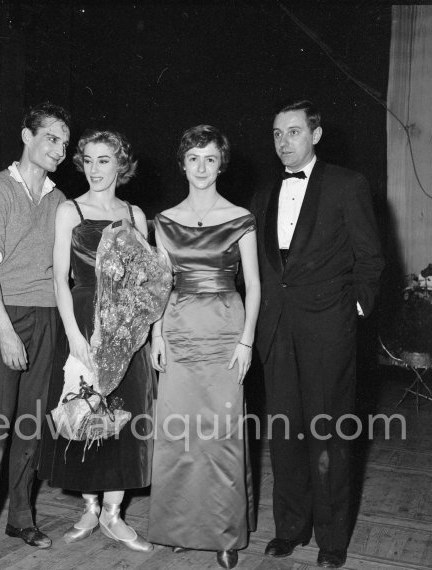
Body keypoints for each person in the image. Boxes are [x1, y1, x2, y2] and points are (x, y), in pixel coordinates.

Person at [250, 100, 384, 569]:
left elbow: (370, 256)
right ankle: (290, 527)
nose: (283, 142)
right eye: (276, 133)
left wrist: (356, 308)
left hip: (329, 329)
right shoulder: (264, 193)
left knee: (328, 434)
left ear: (316, 135)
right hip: (277, 330)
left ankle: (331, 538)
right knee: (284, 433)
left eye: (293, 132)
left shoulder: (348, 185)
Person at [0, 102, 71, 570]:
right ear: (26, 136)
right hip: (5, 316)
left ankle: (20, 517)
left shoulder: (62, 202)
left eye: (65, 143)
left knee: (31, 428)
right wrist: (4, 330)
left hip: (48, 319)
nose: (59, 150)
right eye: (50, 138)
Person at [148, 125, 261, 570]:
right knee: (178, 435)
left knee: (222, 437)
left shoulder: (240, 217)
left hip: (225, 330)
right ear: (182, 163)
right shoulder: (164, 220)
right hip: (177, 328)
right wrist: (156, 334)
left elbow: (253, 286)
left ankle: (224, 535)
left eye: (210, 158)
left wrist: (247, 339)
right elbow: (159, 286)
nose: (201, 167)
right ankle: (180, 528)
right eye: (193, 158)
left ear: (221, 164)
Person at [37, 129, 154, 553]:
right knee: (83, 408)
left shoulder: (136, 214)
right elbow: (59, 278)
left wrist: (142, 333)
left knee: (125, 413)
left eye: (104, 160)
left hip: (124, 326)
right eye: (87, 160)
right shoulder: (70, 211)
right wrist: (73, 334)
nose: (95, 169)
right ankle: (89, 507)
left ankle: (113, 514)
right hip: (84, 320)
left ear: (120, 164)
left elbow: (145, 283)